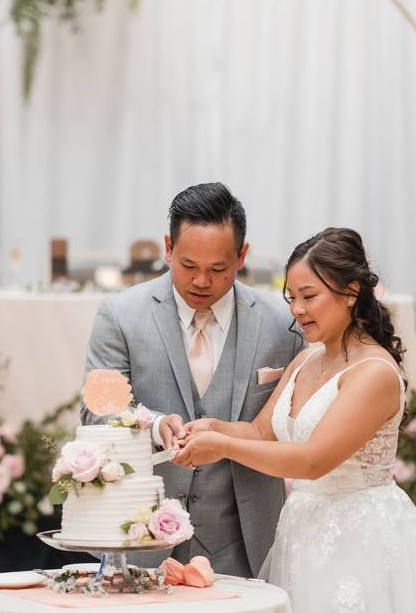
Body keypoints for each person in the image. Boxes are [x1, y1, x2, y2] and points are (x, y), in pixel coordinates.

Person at [175, 227, 416, 611]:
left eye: (309, 296)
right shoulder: (307, 359)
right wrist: (211, 427)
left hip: (360, 541)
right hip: (302, 530)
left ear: (350, 293)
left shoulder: (373, 372)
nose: (296, 309)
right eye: (292, 297)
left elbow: (313, 460)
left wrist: (224, 447)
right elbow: (262, 431)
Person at [81, 183, 302, 577]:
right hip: (141, 536)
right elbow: (96, 412)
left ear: (242, 256)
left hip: (248, 542)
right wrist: (154, 426)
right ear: (167, 247)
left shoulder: (281, 324)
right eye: (188, 265)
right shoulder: (120, 315)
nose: (202, 281)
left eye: (218, 268)